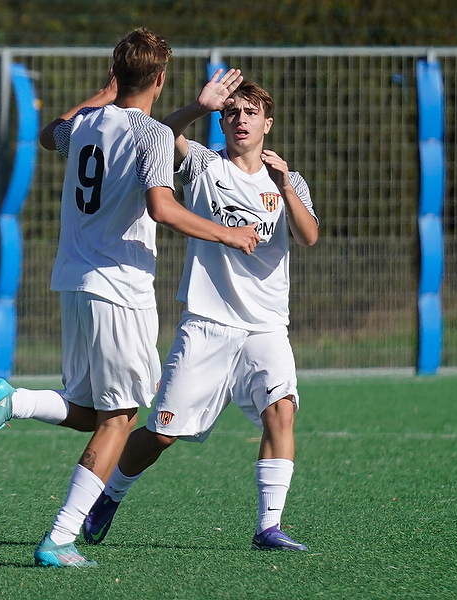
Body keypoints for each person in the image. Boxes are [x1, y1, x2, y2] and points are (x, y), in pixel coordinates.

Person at [0, 28, 260, 568]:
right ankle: (60, 537)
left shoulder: (87, 124)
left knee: (89, 411)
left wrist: (116, 95)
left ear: (114, 74)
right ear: (161, 79)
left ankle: (13, 401)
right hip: (120, 290)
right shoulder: (146, 133)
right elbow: (162, 208)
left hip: (73, 283)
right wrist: (230, 233)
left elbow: (53, 133)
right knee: (120, 416)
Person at [82, 72, 319, 551]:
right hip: (208, 324)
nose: (241, 120)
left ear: (268, 124)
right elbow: (159, 138)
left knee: (282, 412)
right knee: (162, 434)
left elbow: (309, 236)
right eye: (232, 113)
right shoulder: (206, 165)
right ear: (223, 122)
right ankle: (109, 496)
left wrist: (287, 188)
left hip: (266, 326)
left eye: (251, 113)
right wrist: (198, 105)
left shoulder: (287, 179)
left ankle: (268, 527)